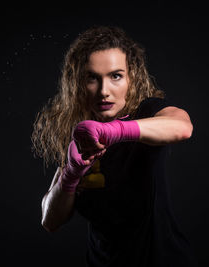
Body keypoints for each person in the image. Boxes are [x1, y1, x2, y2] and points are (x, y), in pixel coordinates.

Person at [31, 25, 198, 267]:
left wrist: (114, 131)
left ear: (132, 78)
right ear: (78, 83)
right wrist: (70, 175)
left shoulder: (147, 113)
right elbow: (50, 220)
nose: (103, 91)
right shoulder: (79, 135)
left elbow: (182, 127)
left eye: (115, 76)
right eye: (92, 78)